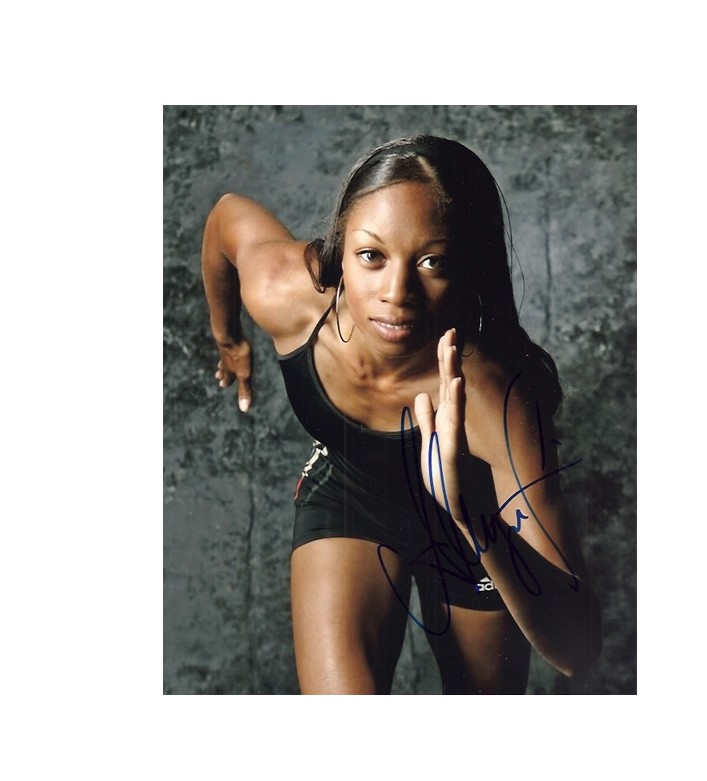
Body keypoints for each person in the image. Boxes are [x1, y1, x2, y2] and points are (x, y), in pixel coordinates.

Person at [201, 135, 602, 694]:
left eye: (433, 262)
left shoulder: (497, 402)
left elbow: (578, 650)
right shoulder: (284, 293)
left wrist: (472, 517)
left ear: (469, 269)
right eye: (371, 256)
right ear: (341, 248)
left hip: (476, 539)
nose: (396, 292)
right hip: (352, 497)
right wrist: (228, 340)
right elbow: (226, 218)